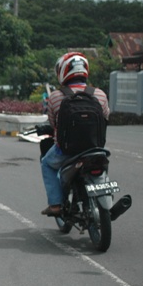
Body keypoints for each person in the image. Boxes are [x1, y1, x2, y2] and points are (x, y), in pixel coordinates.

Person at [40, 52, 110, 216]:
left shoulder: (56, 96)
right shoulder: (99, 94)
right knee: (102, 166)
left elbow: (53, 123)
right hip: (95, 147)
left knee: (47, 164)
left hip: (65, 151)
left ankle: (55, 204)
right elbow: (106, 117)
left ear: (63, 71)